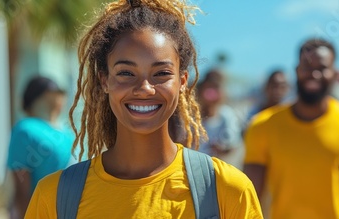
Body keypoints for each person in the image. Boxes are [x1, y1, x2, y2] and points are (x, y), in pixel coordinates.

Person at [25, 0, 262, 218]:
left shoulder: (227, 190)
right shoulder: (54, 197)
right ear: (104, 80)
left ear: (182, 82)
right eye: (126, 73)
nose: (145, 88)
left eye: (161, 73)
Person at [244, 38, 339, 219]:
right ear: (297, 71)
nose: (313, 75)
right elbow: (250, 194)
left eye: (322, 68)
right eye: (307, 67)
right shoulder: (263, 125)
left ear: (334, 73)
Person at [7, 76, 73, 219]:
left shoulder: (66, 130)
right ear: (38, 99)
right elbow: (21, 183)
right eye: (54, 95)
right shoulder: (25, 129)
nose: (60, 99)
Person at [196, 69, 243, 161]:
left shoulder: (227, 115)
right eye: (209, 86)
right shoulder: (189, 115)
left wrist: (221, 149)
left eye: (216, 87)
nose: (212, 92)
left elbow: (233, 145)